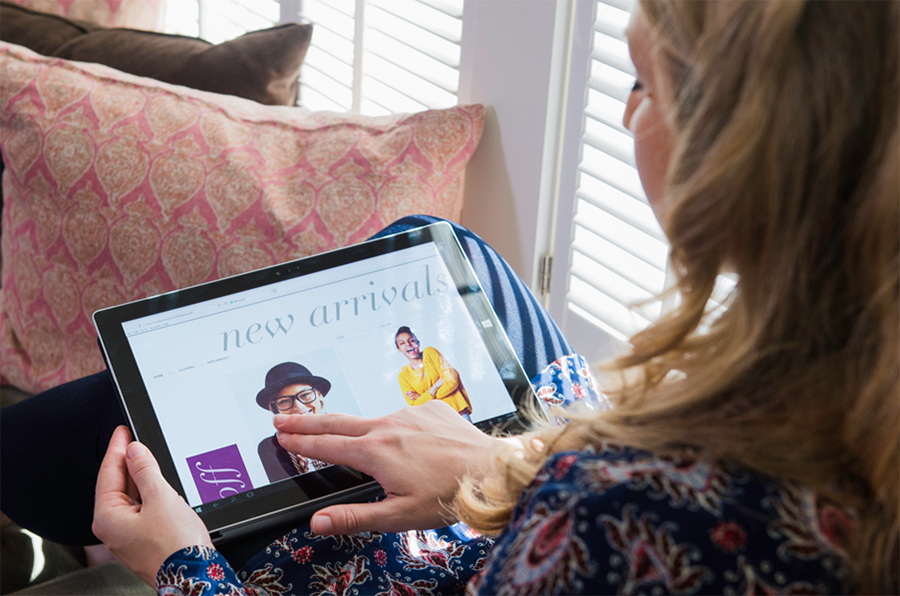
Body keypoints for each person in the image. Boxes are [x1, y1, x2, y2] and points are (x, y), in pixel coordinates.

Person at [1, 1, 896, 593]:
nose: (626, 115)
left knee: (72, 441)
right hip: (513, 480)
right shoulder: (839, 397)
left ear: (741, 153)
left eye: (643, 84)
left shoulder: (630, 504)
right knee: (438, 249)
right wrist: (498, 464)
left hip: (429, 548)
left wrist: (180, 565)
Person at [254, 362, 331, 482]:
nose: (298, 407)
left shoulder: (348, 429)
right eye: (284, 401)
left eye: (305, 395)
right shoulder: (271, 448)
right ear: (275, 409)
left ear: (319, 395)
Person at [394, 326, 473, 421]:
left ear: (418, 343)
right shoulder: (403, 376)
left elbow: (451, 382)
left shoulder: (430, 353)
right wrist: (435, 387)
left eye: (412, 341)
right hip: (436, 421)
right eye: (402, 343)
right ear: (398, 349)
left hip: (457, 413)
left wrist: (424, 398)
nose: (408, 344)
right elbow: (415, 406)